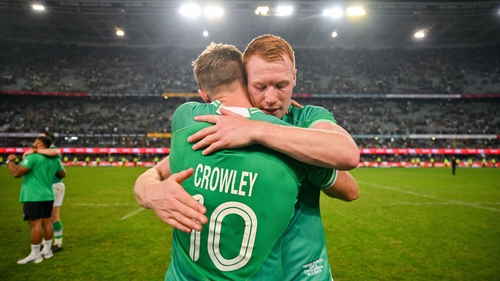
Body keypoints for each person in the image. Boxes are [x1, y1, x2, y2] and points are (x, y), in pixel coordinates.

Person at [135, 35, 359, 280]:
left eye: (281, 85)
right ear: (244, 82)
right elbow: (158, 171)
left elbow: (348, 167)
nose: (271, 98)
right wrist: (150, 192)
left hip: (304, 272)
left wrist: (256, 130)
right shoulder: (219, 127)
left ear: (294, 77)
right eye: (260, 87)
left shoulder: (306, 119)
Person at [6, 136, 66, 264]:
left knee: (35, 225)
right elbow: (62, 174)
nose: (33, 143)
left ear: (39, 143)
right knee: (47, 222)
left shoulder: (33, 157)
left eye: (35, 141)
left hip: (34, 195)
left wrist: (10, 161)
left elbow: (16, 173)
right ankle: (48, 251)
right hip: (48, 194)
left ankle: (35, 255)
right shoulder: (54, 160)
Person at [24, 132, 66, 252]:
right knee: (45, 217)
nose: (38, 140)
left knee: (53, 216)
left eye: (41, 138)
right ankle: (46, 242)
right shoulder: (44, 151)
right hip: (46, 186)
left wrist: (34, 151)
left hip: (54, 185)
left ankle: (58, 243)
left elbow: (55, 153)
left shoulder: (52, 150)